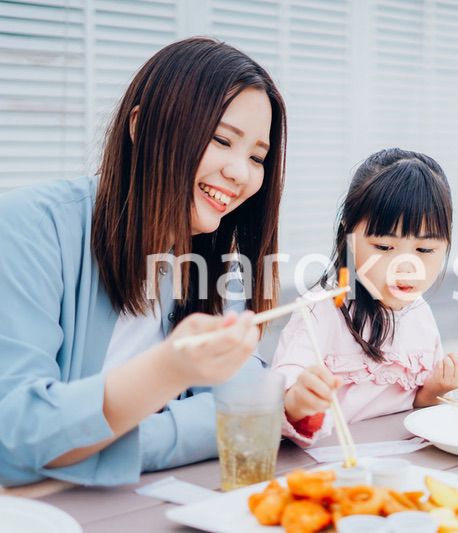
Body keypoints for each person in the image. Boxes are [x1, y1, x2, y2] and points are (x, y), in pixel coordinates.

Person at [0, 37, 287, 486]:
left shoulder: (213, 263)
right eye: (220, 139)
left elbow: (243, 404)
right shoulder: (31, 226)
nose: (240, 172)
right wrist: (170, 370)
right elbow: (15, 436)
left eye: (257, 156)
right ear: (143, 124)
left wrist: (103, 441)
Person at [271, 148, 458, 446]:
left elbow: (410, 402)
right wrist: (298, 401)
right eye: (383, 247)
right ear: (349, 237)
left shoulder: (418, 313)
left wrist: (435, 389)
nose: (405, 266)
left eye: (424, 250)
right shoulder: (321, 310)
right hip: (329, 464)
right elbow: (282, 396)